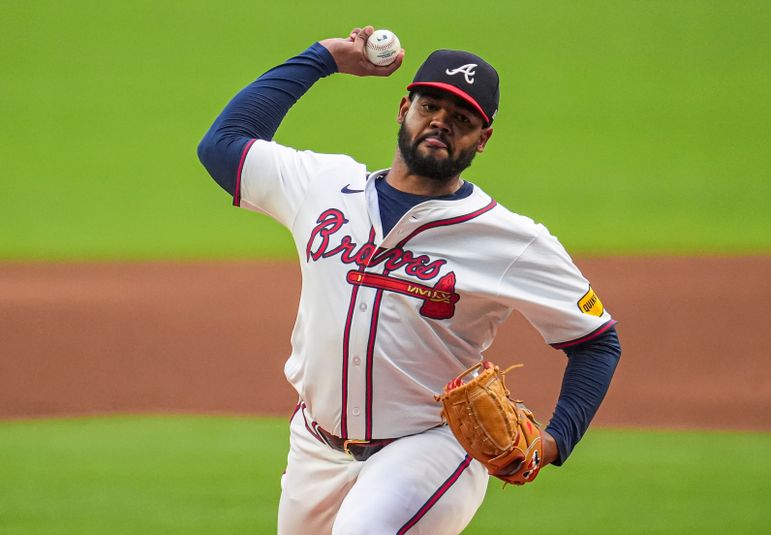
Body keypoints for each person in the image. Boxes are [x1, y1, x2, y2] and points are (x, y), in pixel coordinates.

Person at [198, 26, 621, 535]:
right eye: (430, 108)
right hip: (315, 446)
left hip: (428, 449)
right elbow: (222, 144)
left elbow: (597, 341)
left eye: (461, 119)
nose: (441, 124)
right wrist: (322, 58)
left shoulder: (511, 239)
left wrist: (555, 440)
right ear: (404, 109)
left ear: (482, 140)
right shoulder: (323, 186)